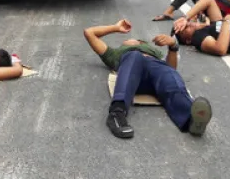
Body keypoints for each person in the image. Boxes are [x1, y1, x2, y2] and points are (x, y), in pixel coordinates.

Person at [83, 19, 212, 139]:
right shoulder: (116, 54)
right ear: (124, 44)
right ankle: (117, 113)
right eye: (129, 40)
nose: (135, 40)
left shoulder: (156, 54)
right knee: (135, 56)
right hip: (134, 77)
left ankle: (191, 120)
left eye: (139, 41)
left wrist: (173, 45)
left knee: (168, 74)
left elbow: (171, 68)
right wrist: (115, 27)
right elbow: (89, 33)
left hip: (157, 70)